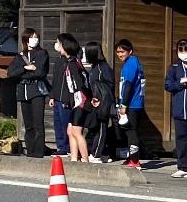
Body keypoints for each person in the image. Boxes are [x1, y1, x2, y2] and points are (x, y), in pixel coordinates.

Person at [163, 39, 187, 177]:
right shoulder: (174, 67)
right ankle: (183, 167)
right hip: (179, 109)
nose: (184, 53)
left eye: (186, 50)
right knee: (181, 139)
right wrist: (180, 84)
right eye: (181, 50)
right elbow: (168, 85)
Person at [11, 29, 51, 158]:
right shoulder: (20, 56)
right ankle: (30, 150)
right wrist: (25, 68)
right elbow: (11, 72)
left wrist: (28, 72)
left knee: (38, 123)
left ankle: (39, 152)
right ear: (26, 39)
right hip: (23, 92)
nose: (35, 39)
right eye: (33, 37)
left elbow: (41, 72)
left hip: (37, 91)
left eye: (36, 37)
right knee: (28, 124)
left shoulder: (42, 53)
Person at [51, 34, 88, 162]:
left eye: (59, 43)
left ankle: (85, 160)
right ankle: (73, 158)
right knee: (70, 131)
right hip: (74, 101)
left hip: (79, 102)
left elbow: (78, 86)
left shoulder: (73, 63)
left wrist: (71, 100)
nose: (57, 45)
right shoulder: (69, 62)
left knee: (76, 132)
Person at [111, 39, 145, 168]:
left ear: (130, 51)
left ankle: (135, 160)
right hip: (131, 103)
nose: (120, 54)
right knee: (127, 131)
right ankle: (131, 157)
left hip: (132, 104)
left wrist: (123, 105)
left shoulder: (131, 63)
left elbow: (129, 85)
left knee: (131, 132)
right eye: (118, 52)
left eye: (123, 51)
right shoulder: (129, 63)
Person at [80, 42, 115, 163]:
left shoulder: (102, 67)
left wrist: (98, 98)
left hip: (101, 103)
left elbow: (107, 87)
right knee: (95, 128)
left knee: (101, 127)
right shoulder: (96, 67)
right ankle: (99, 152)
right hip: (96, 102)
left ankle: (96, 154)